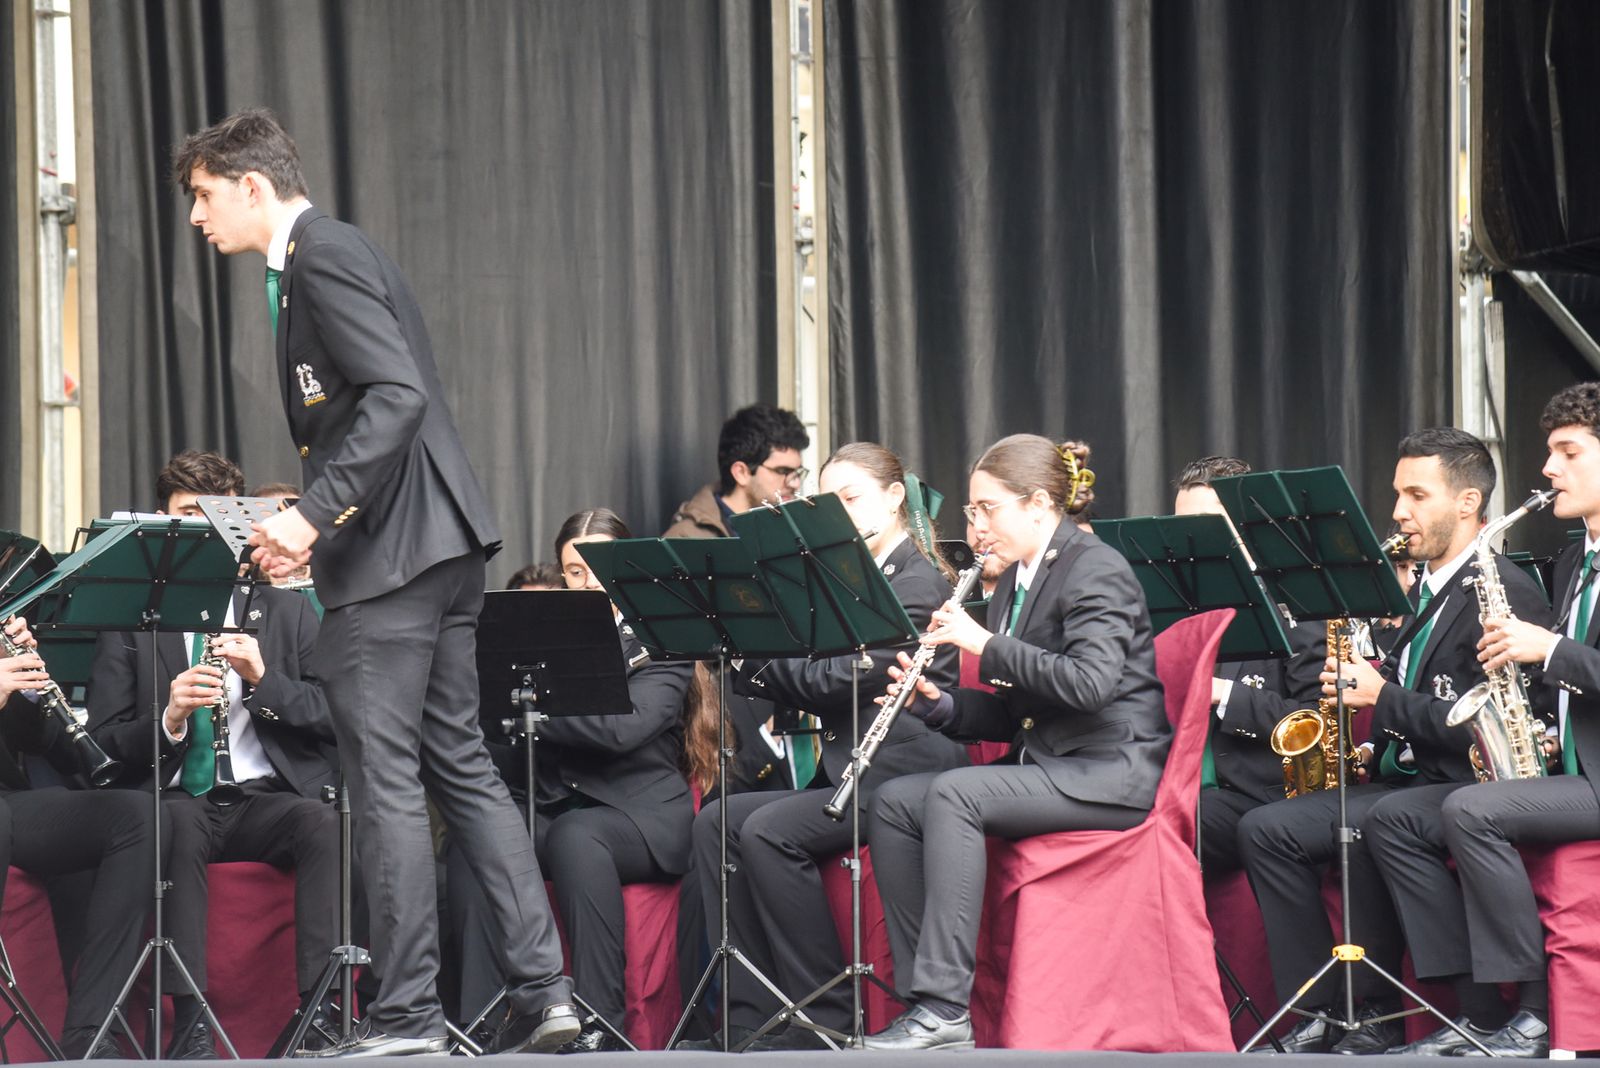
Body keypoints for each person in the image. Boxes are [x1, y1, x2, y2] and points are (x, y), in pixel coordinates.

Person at [174, 107, 578, 1055]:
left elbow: (397, 396)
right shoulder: (328, 254)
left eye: (201, 196)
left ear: (251, 187)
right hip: (430, 547)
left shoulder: (320, 253)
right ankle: (545, 992)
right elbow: (381, 407)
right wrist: (312, 533)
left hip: (393, 562)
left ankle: (405, 1019)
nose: (196, 217)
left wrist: (313, 516)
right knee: (462, 771)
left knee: (385, 782)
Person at [1236, 428, 1550, 1055]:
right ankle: (1327, 1009)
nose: (1398, 512)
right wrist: (1362, 716)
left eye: (1416, 495)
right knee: (1266, 828)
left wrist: (1380, 698)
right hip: (1409, 779)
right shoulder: (1419, 593)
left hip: (1469, 783)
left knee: (1385, 817)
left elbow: (1478, 725)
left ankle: (1469, 1013)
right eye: (1397, 494)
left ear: (1467, 504)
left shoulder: (1504, 591)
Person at [861, 433, 1170, 1051]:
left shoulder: (1096, 567)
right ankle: (922, 1000)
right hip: (1052, 761)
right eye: (972, 512)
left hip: (1109, 770)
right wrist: (940, 705)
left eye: (987, 509)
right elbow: (1017, 712)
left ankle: (947, 1008)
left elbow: (1089, 685)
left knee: (955, 793)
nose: (975, 527)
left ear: (1036, 504)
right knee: (894, 800)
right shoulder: (1012, 585)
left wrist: (981, 644)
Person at [678, 442, 968, 1050]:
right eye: (827, 501)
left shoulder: (914, 581)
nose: (836, 513)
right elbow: (817, 671)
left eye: (850, 497)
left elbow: (837, 682)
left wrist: (752, 658)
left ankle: (825, 1013)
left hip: (899, 773)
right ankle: (751, 1016)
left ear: (894, 498)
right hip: (848, 768)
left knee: (769, 830)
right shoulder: (850, 575)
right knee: (716, 822)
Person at [86, 449, 342, 1058]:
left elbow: (338, 716)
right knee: (172, 819)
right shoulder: (131, 621)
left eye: (214, 518)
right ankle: (191, 1022)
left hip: (262, 798)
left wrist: (264, 681)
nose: (200, 532)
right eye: (184, 517)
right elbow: (102, 740)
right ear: (160, 522)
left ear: (238, 525)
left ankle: (320, 1013)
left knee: (323, 823)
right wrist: (170, 720)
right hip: (181, 795)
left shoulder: (285, 609)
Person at [448, 508, 708, 1052]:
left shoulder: (662, 639)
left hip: (641, 816)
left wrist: (533, 715)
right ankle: (485, 1023)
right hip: (558, 804)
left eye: (597, 567)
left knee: (577, 836)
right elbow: (495, 725)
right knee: (480, 841)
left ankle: (598, 1021)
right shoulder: (543, 637)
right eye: (573, 570)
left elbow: (624, 730)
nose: (585, 582)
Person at [1433, 383, 1600, 1058]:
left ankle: (1531, 1011)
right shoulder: (1571, 560)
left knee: (1473, 812)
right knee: (1438, 809)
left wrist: (1550, 649)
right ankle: (1479, 1013)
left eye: (1568, 452)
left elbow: (1576, 658)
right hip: (1576, 765)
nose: (1548, 470)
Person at [0, 616, 154, 1058]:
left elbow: (41, 740)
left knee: (135, 814)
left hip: (10, 799)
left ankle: (91, 1029)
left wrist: (25, 684)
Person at [1171, 457, 1325, 874]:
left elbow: (1314, 720)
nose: (1190, 540)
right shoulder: (1174, 599)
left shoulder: (1297, 601)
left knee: (1168, 826)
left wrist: (1222, 694)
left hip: (1257, 793)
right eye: (1182, 525)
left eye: (1206, 524)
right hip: (1177, 780)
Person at [663, 404, 810, 538]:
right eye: (783, 470)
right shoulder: (686, 540)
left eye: (797, 472)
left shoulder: (795, 533)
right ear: (741, 473)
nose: (795, 483)